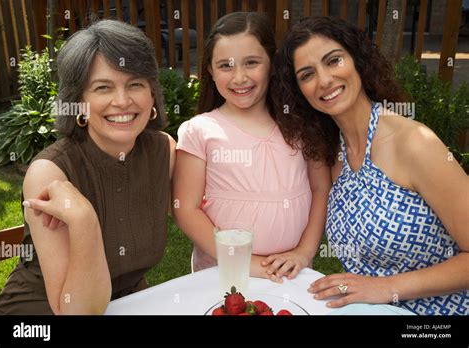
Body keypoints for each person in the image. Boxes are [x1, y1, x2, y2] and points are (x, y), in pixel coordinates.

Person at [273, 16, 468, 315]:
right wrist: (303, 252)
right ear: (300, 92)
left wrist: (386, 287)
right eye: (307, 74)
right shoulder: (332, 152)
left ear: (358, 61)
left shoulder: (414, 142)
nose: (324, 80)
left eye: (334, 61)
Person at [0, 19, 176, 315]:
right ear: (78, 102)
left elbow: (208, 212)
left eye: (135, 84)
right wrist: (85, 222)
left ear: (152, 94)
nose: (122, 100)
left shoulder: (163, 151)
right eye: (103, 87)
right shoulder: (50, 173)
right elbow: (77, 310)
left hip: (126, 304)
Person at [173, 12, 331, 281]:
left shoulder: (301, 123)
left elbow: (320, 188)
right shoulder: (200, 130)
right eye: (225, 66)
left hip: (292, 269)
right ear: (210, 70)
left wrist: (304, 252)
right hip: (225, 271)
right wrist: (248, 263)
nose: (239, 77)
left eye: (251, 63)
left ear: (271, 63)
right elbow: (186, 209)